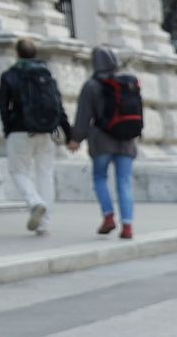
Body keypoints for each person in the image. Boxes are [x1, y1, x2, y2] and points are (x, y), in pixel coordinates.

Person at [0, 36, 70, 235]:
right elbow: (58, 104)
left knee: (18, 171)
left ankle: (35, 201)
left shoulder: (9, 75)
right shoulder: (46, 74)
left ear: (17, 53)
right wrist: (69, 133)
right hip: (46, 131)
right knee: (45, 174)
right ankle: (44, 223)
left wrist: (7, 129)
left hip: (20, 130)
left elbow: (3, 106)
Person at [68, 45, 142, 239]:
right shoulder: (129, 83)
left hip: (101, 140)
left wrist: (76, 138)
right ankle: (127, 226)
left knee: (100, 177)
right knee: (124, 182)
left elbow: (84, 116)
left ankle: (108, 216)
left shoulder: (91, 85)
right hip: (126, 140)